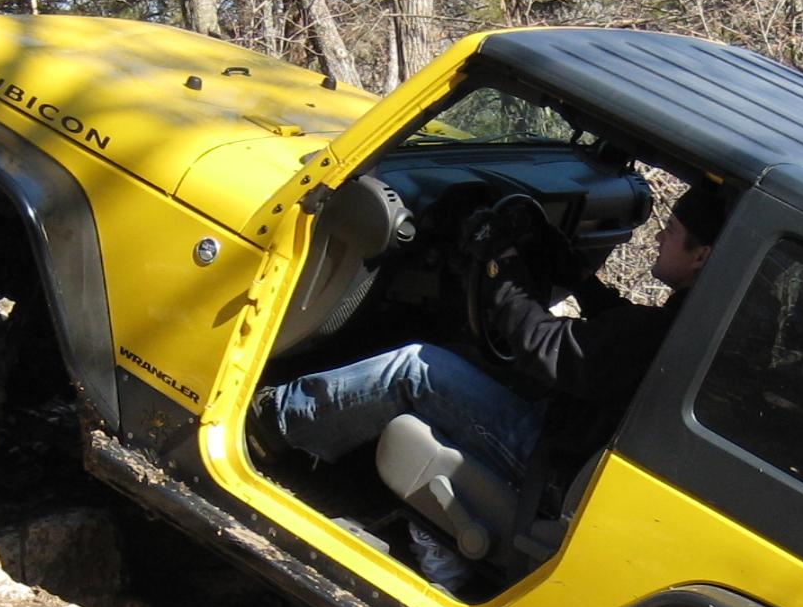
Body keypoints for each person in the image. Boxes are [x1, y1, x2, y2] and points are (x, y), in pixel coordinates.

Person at [248, 182, 727, 496]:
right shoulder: (693, 325)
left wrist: (501, 269)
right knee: (465, 355)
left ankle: (268, 425)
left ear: (702, 256)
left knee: (413, 368)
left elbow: (545, 346)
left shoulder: (659, 332)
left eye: (671, 231)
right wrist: (577, 276)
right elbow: (610, 342)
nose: (658, 238)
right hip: (571, 439)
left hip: (547, 462)